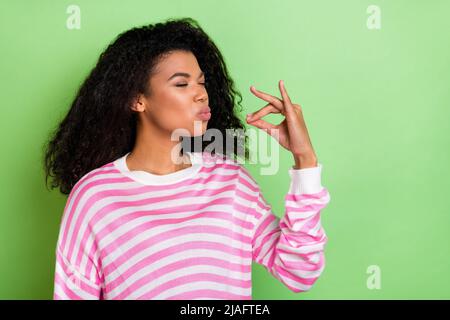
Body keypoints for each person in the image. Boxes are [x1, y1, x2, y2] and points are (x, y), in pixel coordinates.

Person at [43, 17, 331, 300]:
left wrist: (304, 158)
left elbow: (299, 272)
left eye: (202, 82)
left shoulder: (230, 181)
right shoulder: (94, 197)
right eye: (182, 84)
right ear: (137, 99)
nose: (201, 95)